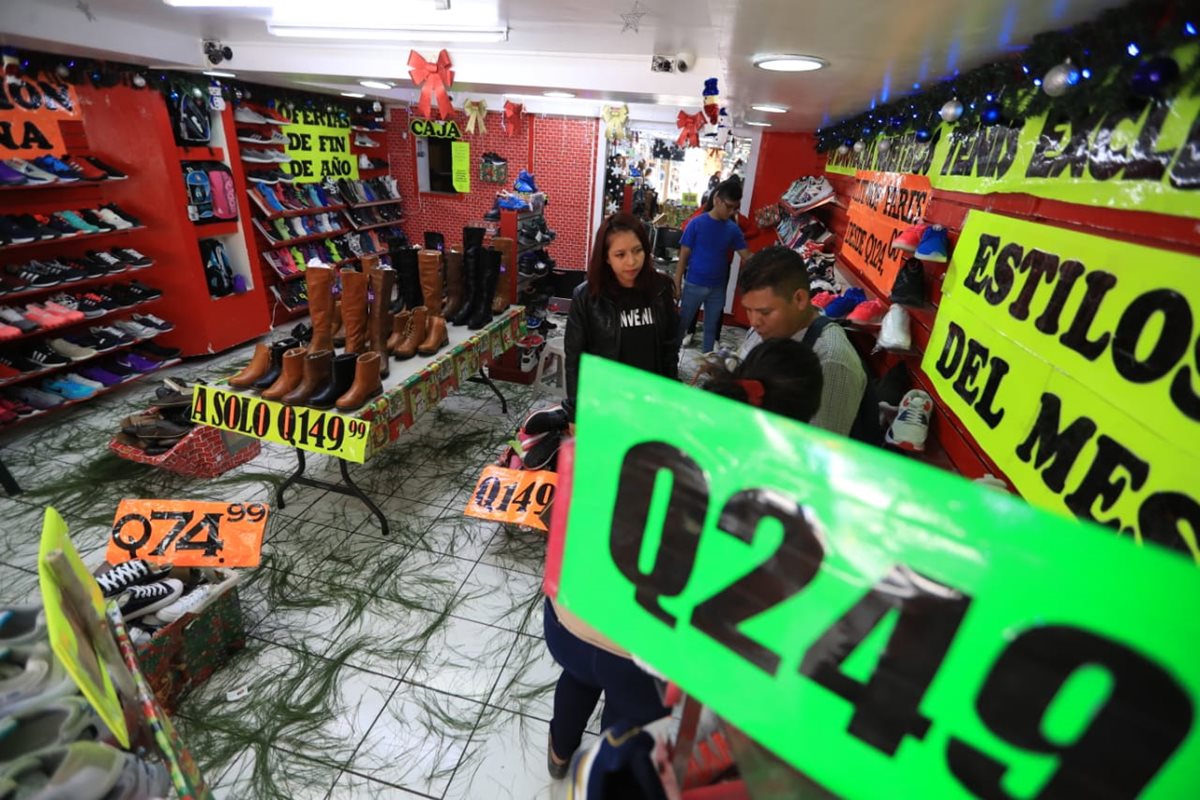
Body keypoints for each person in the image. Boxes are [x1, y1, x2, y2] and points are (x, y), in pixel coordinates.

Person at [546, 335, 825, 784]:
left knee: (578, 677)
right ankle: (597, 773)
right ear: (805, 418)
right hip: (639, 650)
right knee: (623, 719)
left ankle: (559, 754)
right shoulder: (780, 494)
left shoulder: (667, 416)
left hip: (569, 615)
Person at [737, 245, 867, 436]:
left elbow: (821, 445)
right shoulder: (766, 329)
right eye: (749, 310)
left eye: (765, 312)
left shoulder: (831, 360)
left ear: (799, 299)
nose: (754, 321)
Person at [564, 213, 680, 421]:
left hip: (650, 400)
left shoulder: (661, 289)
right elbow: (574, 359)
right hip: (607, 403)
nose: (632, 261)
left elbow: (669, 348)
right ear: (606, 258)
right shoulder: (587, 297)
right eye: (620, 254)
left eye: (637, 251)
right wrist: (575, 411)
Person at [674, 180, 751, 353]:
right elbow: (683, 255)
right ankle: (670, 361)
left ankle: (706, 361)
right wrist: (677, 283)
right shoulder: (696, 223)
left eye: (735, 208)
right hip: (694, 284)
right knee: (681, 325)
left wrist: (770, 263)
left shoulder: (732, 229)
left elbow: (747, 256)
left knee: (711, 330)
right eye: (729, 206)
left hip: (717, 288)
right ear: (717, 200)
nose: (732, 212)